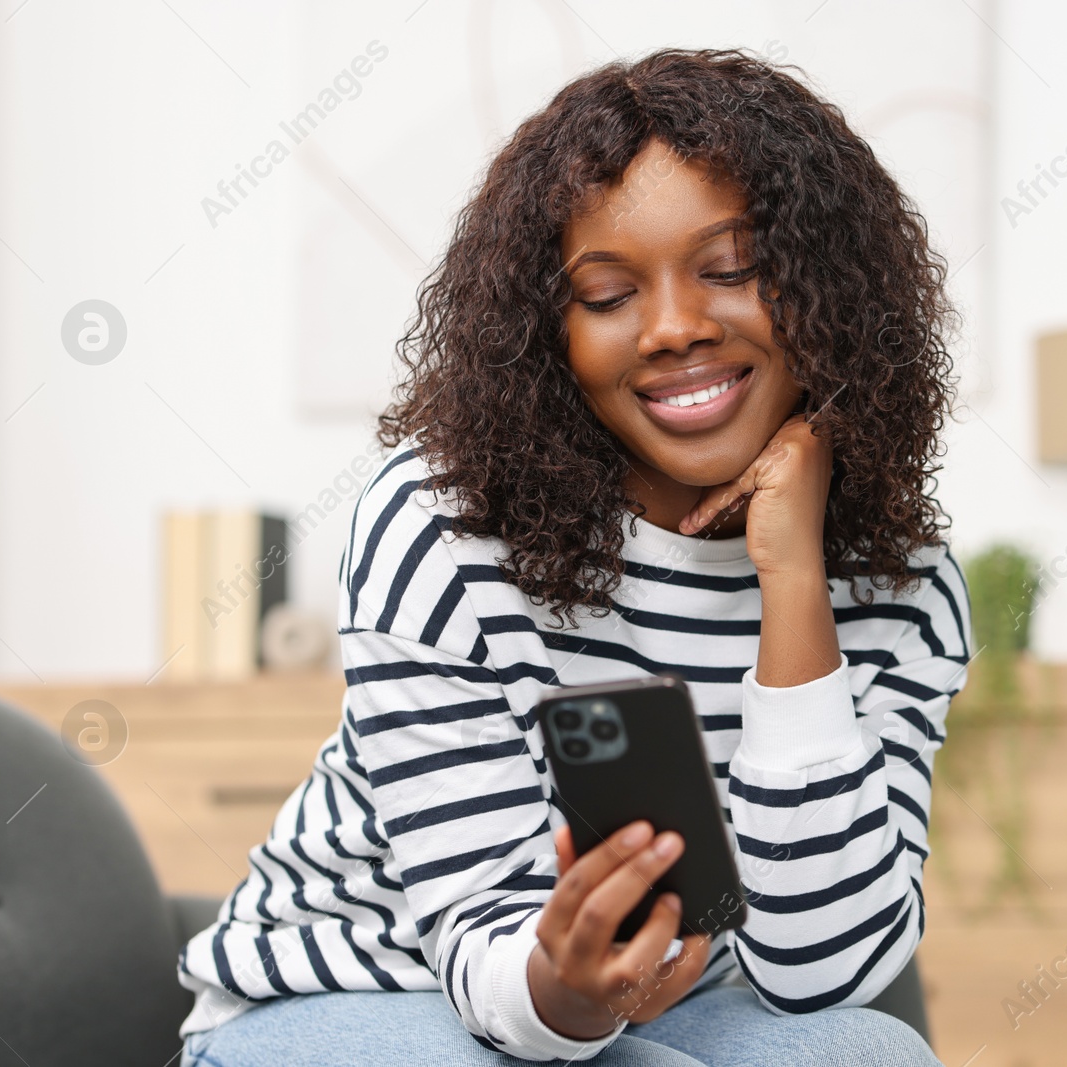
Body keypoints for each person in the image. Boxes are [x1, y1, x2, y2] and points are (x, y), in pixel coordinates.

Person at [177, 47, 971, 1066]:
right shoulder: (447, 522)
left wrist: (795, 581)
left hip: (670, 1004)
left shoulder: (901, 588)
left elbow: (823, 970)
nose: (676, 327)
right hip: (351, 984)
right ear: (548, 339)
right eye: (606, 295)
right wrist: (576, 986)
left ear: (829, 289)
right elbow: (481, 938)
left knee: (864, 1051)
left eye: (730, 269)